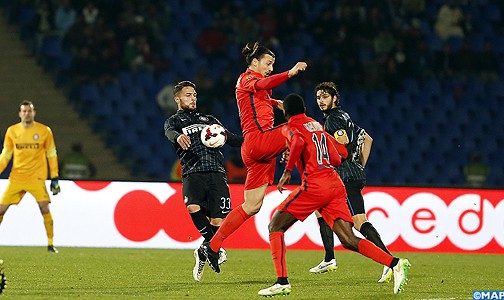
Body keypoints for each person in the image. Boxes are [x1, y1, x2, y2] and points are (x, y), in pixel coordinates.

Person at [258, 94, 411, 297]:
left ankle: (282, 282)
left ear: (285, 113)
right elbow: (341, 155)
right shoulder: (316, 125)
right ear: (304, 109)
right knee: (348, 239)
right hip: (335, 184)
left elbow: (297, 143)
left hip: (315, 185)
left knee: (275, 226)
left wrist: (288, 170)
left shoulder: (289, 127)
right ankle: (395, 263)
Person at [198, 42, 307, 273]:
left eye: (273, 65)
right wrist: (289, 72)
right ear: (254, 62)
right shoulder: (245, 79)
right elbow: (264, 83)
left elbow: (264, 97)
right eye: (268, 63)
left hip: (258, 151)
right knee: (299, 127)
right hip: (258, 141)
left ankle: (213, 245)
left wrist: (277, 103)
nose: (270, 68)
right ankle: (319, 171)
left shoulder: (260, 90)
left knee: (252, 205)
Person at [312, 81, 395, 283]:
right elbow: (368, 139)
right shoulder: (345, 117)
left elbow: (343, 150)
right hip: (351, 174)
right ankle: (329, 258)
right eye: (318, 97)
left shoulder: (333, 120)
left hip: (344, 177)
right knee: (319, 208)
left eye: (325, 97)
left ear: (334, 99)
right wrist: (359, 166)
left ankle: (389, 261)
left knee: (359, 222)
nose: (321, 101)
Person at [164, 81, 243, 282]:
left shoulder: (209, 120)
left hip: (216, 171)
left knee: (218, 221)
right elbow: (169, 132)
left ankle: (203, 251)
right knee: (192, 207)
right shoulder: (175, 121)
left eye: (195, 95)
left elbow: (231, 138)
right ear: (178, 99)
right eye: (188, 95)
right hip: (192, 171)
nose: (193, 98)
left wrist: (253, 139)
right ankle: (214, 246)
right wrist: (178, 136)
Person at [0, 100, 61, 253]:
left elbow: (51, 154)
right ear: (20, 114)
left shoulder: (44, 131)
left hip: (36, 178)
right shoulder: (12, 131)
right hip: (17, 177)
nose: (27, 114)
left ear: (34, 113)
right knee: (1, 209)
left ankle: (50, 243)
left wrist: (54, 177)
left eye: (30, 111)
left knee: (44, 207)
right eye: (24, 111)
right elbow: (5, 155)